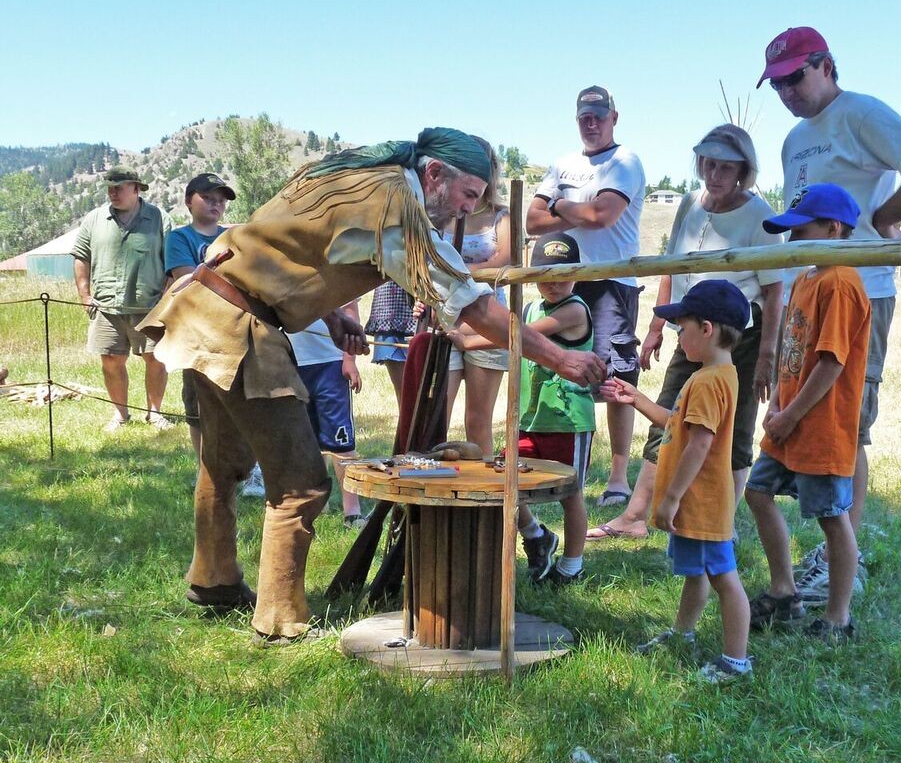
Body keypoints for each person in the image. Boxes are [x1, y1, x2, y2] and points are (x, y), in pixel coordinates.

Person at [138, 127, 606, 643]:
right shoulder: (395, 203)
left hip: (208, 310)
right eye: (468, 195)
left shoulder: (355, 175)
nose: (465, 210)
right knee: (302, 483)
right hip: (236, 328)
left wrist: (333, 316)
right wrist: (559, 356)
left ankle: (214, 580)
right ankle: (279, 620)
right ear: (434, 174)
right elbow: (473, 304)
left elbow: (296, 252)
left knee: (222, 466)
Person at [757, 26, 901, 602]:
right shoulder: (794, 140)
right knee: (806, 409)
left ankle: (842, 553)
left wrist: (882, 222)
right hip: (807, 289)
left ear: (826, 65)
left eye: (796, 76)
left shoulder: (861, 112)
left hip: (858, 287)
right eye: (777, 83)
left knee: (847, 422)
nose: (788, 91)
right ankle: (828, 549)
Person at [588, 124, 784, 541]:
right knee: (668, 417)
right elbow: (674, 265)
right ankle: (636, 515)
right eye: (707, 164)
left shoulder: (759, 214)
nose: (713, 174)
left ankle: (721, 526)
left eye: (724, 167)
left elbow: (774, 289)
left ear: (743, 170)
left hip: (740, 334)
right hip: (690, 326)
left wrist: (768, 354)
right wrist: (659, 324)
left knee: (735, 427)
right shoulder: (691, 203)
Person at [604, 280, 753, 683]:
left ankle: (735, 662)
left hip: (701, 501)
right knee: (698, 573)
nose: (677, 336)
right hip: (698, 501)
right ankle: (683, 633)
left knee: (724, 579)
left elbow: (699, 445)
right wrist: (637, 399)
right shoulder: (717, 373)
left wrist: (670, 498)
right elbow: (678, 426)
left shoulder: (707, 382)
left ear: (706, 329)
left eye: (681, 329)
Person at [743, 184, 870, 643]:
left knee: (832, 516)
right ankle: (785, 592)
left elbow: (831, 362)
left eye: (803, 230)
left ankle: (838, 618)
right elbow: (793, 354)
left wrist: (792, 415)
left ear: (833, 228)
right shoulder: (807, 278)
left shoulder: (841, 283)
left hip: (820, 425)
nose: (794, 240)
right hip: (789, 419)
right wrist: (777, 401)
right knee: (758, 492)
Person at [449, 232, 595, 586]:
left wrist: (466, 339)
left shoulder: (574, 309)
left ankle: (571, 566)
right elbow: (509, 325)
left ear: (576, 273)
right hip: (530, 419)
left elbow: (518, 334)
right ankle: (535, 533)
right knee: (504, 478)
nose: (552, 285)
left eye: (561, 276)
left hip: (568, 422)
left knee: (570, 495)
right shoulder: (529, 306)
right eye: (543, 276)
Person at [527, 85, 646, 507]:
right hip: (560, 273)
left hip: (611, 281)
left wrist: (559, 206)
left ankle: (617, 477)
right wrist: (570, 210)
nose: (591, 123)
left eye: (598, 115)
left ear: (614, 117)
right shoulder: (562, 163)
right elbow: (531, 220)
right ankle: (554, 457)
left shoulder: (625, 161)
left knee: (613, 379)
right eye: (584, 117)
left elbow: (601, 215)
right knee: (556, 371)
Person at [71, 166, 173, 432]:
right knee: (111, 360)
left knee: (156, 358)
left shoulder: (160, 219)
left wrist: (167, 297)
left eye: (119, 187)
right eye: (109, 188)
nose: (112, 193)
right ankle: (120, 414)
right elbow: (81, 256)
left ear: (136, 189)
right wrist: (85, 295)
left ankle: (155, 413)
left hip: (150, 307)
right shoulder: (94, 219)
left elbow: (173, 261)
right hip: (106, 307)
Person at [442, 137, 510, 456]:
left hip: (487, 321)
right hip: (446, 319)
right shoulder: (445, 213)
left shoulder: (501, 215)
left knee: (477, 422)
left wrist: (462, 272)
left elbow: (507, 259)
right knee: (436, 416)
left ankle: (485, 499)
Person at [165, 173, 237, 460]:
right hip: (196, 332)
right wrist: (214, 268)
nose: (215, 204)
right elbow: (186, 281)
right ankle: (205, 469)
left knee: (240, 401)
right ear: (188, 201)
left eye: (220, 200)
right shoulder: (179, 238)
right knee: (197, 404)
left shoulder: (233, 236)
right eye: (207, 198)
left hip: (234, 328)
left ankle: (248, 468)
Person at [285, 304, 365, 527]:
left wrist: (349, 360)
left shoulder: (337, 270)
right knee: (304, 440)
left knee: (341, 443)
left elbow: (350, 311)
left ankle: (352, 511)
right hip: (292, 363)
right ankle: (315, 503)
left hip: (330, 363)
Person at [364, 281, 416, 404]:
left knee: (424, 389)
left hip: (422, 310)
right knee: (404, 392)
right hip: (389, 310)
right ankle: (407, 423)